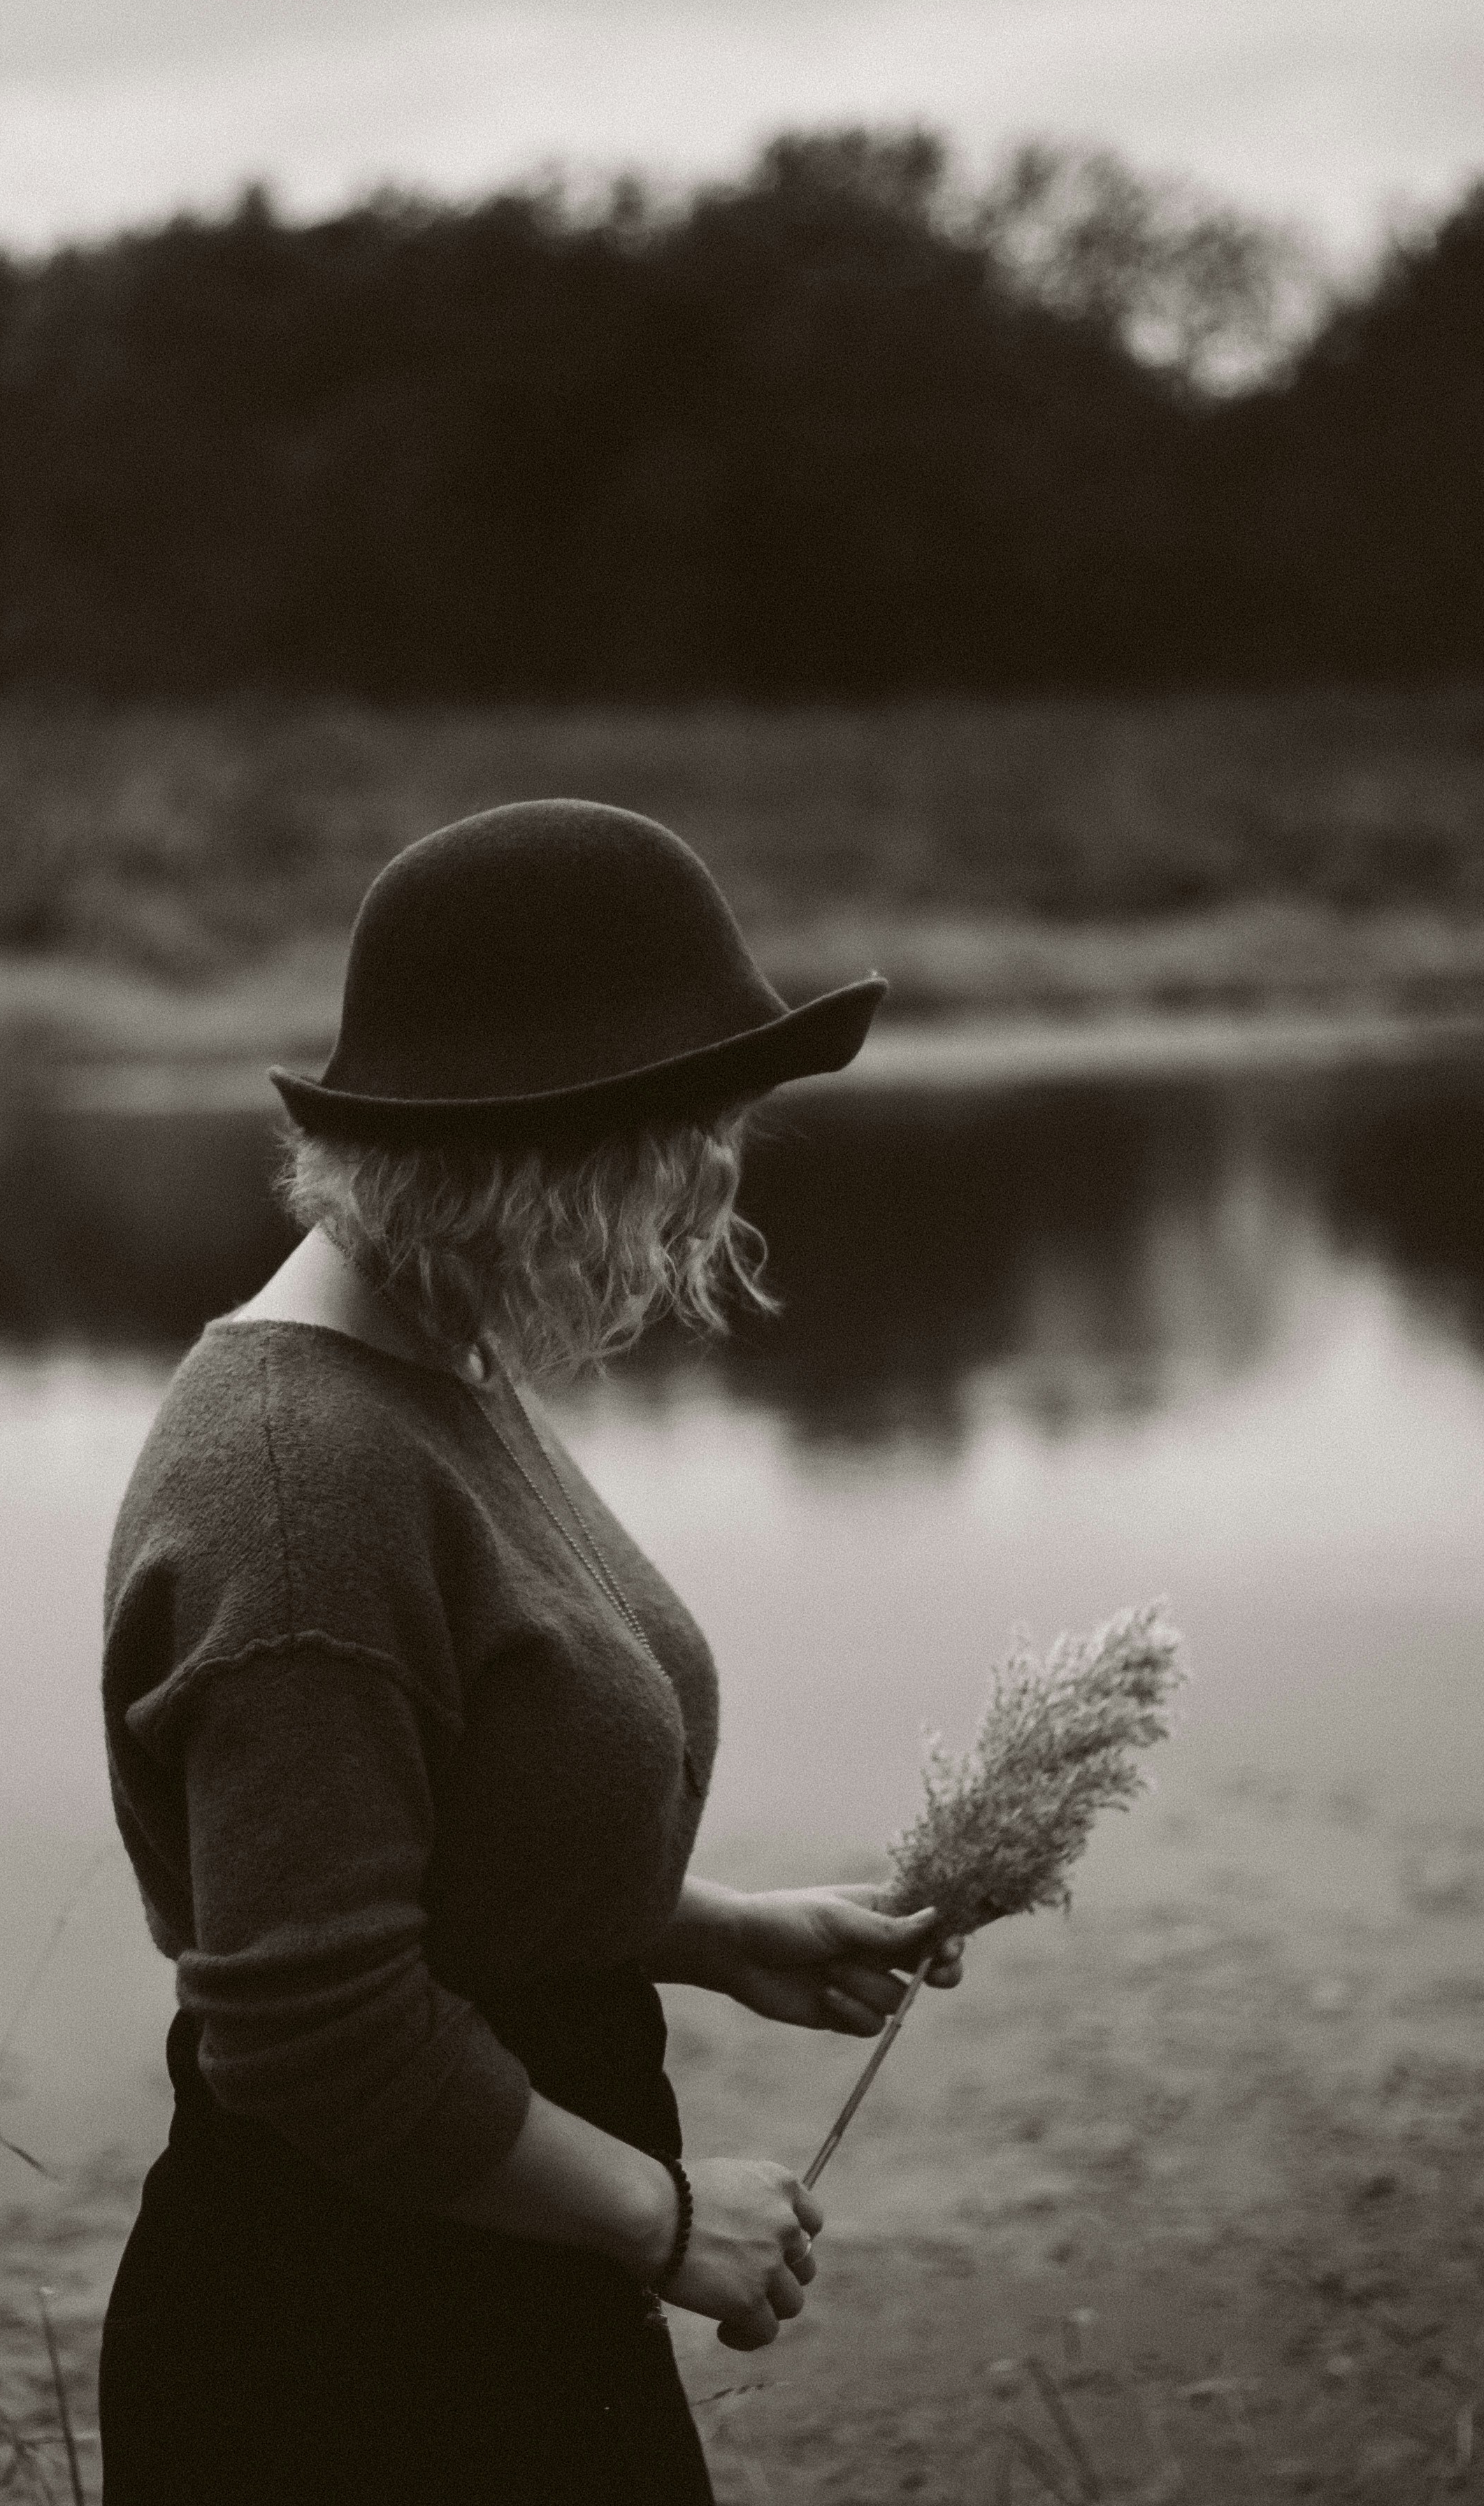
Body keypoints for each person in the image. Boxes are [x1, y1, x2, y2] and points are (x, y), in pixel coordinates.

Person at [96, 797, 966, 2504]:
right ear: (542, 1142)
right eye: (686, 1129)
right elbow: (313, 2028)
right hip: (354, 2361)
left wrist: (702, 1932)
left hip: (494, 2279)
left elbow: (445, 1843)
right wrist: (659, 2215)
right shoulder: (298, 1483)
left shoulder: (429, 1370)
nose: (714, 1175)